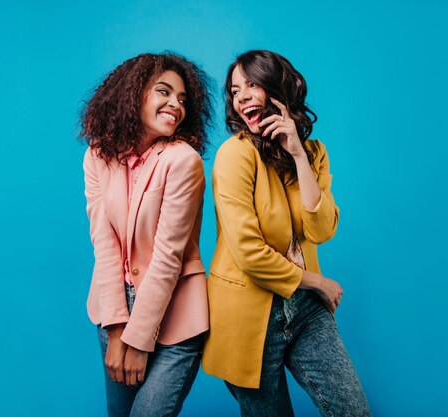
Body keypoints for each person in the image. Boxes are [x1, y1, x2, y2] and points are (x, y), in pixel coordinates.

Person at [202, 50, 372, 417]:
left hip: (306, 310)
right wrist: (317, 282)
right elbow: (249, 253)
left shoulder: (314, 154)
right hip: (250, 315)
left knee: (353, 411)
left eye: (252, 84)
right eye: (235, 90)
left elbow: (321, 229)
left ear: (278, 89)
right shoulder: (235, 156)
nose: (242, 96)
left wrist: (297, 156)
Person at [79, 52, 213, 417]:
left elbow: (169, 256)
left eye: (183, 99)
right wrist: (118, 328)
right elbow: (104, 245)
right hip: (114, 308)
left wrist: (138, 340)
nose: (176, 105)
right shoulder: (97, 156)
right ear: (132, 93)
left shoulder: (183, 160)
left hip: (176, 313)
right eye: (164, 92)